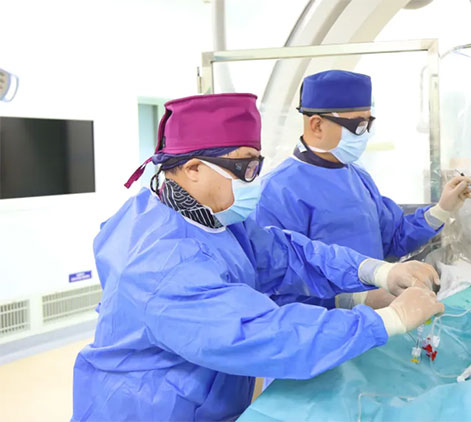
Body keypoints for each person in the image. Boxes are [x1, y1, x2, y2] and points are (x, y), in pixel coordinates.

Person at [71, 93, 445, 421]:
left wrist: (376, 271)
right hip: (150, 410)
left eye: (256, 165)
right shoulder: (163, 264)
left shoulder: (208, 219)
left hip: (202, 396)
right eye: (244, 168)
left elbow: (288, 254)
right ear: (194, 168)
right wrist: (386, 320)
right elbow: (265, 334)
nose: (253, 180)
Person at [253, 70, 471, 310]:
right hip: (324, 326)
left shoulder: (357, 176)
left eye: (369, 123)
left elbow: (392, 239)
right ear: (316, 125)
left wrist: (442, 210)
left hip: (378, 320)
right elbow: (274, 287)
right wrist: (353, 300)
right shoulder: (277, 191)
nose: (365, 134)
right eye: (358, 126)